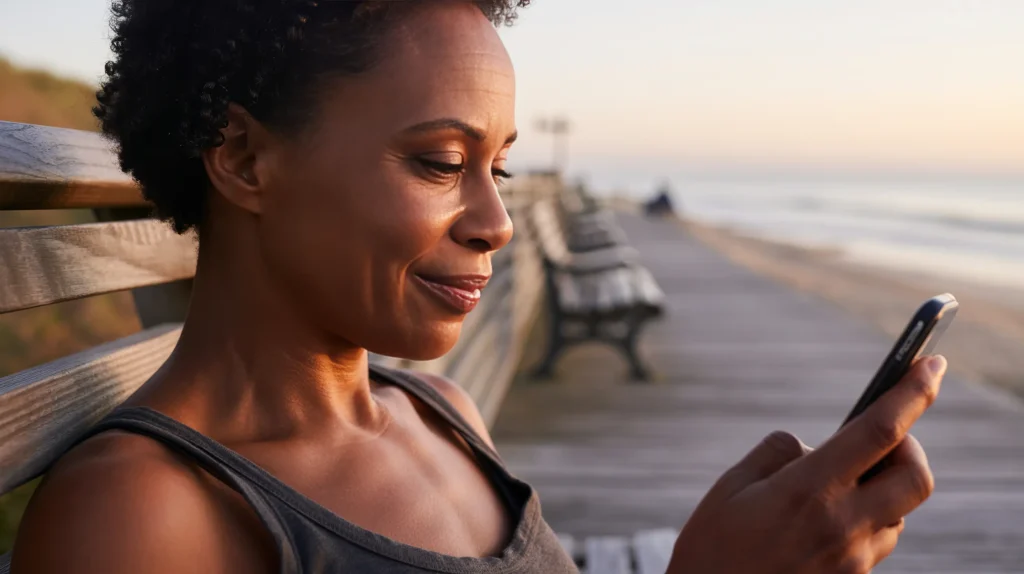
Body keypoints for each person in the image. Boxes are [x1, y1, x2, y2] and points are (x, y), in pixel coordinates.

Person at [12, 1, 945, 573]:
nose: (494, 221)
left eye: (498, 166)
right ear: (247, 159)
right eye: (438, 161)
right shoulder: (144, 517)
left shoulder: (443, 411)